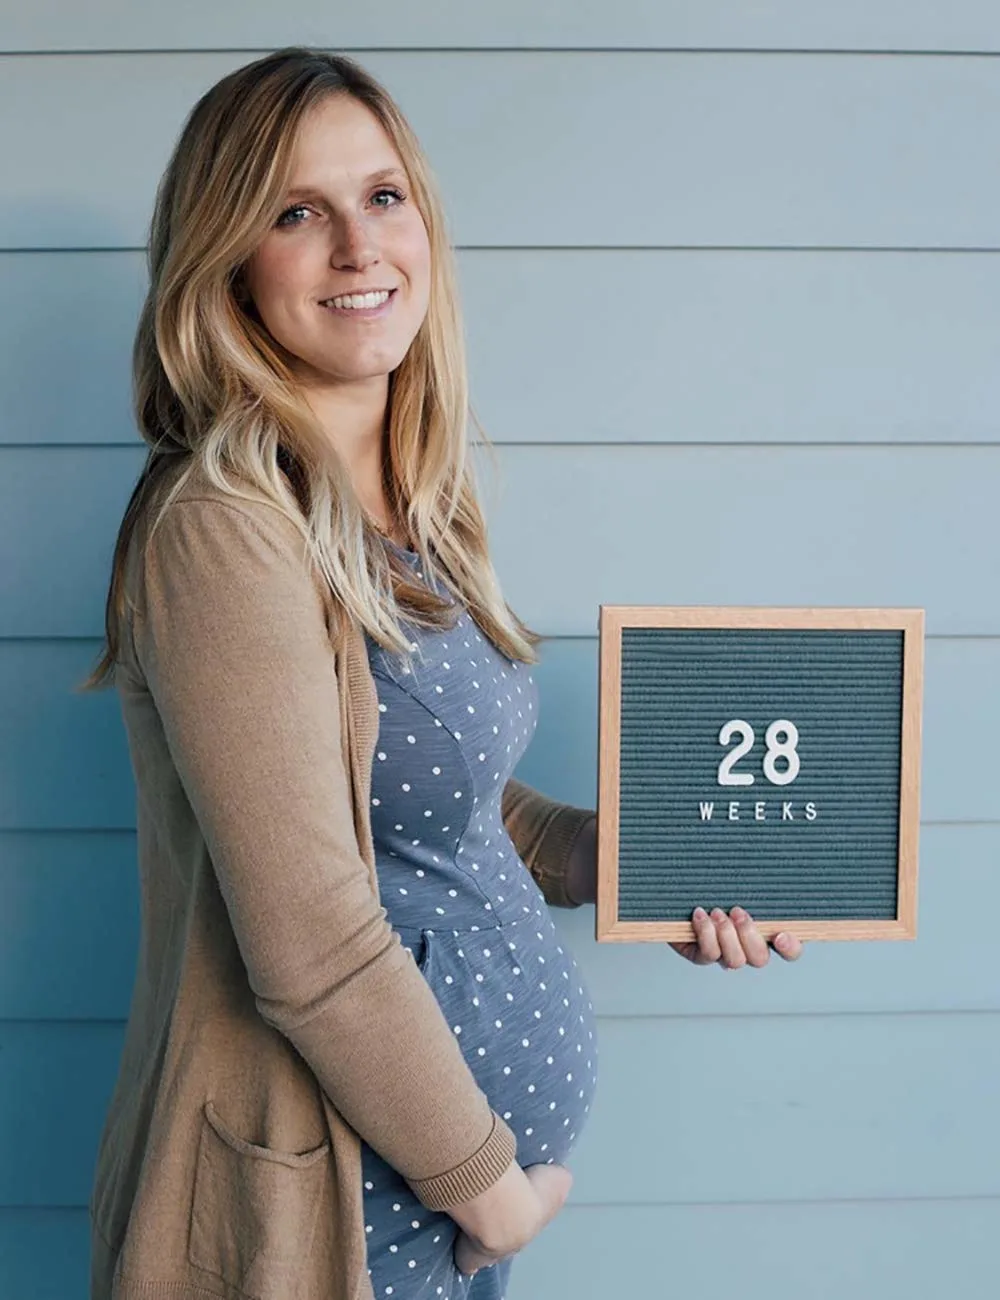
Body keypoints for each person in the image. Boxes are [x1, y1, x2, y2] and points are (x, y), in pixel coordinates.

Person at [81, 47, 804, 1300]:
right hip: (338, 1204)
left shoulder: (414, 506)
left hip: (429, 1201)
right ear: (229, 261)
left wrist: (666, 866)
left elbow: (460, 810)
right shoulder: (225, 527)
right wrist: (490, 1186)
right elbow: (306, 930)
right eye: (295, 212)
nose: (359, 247)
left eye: (383, 196)